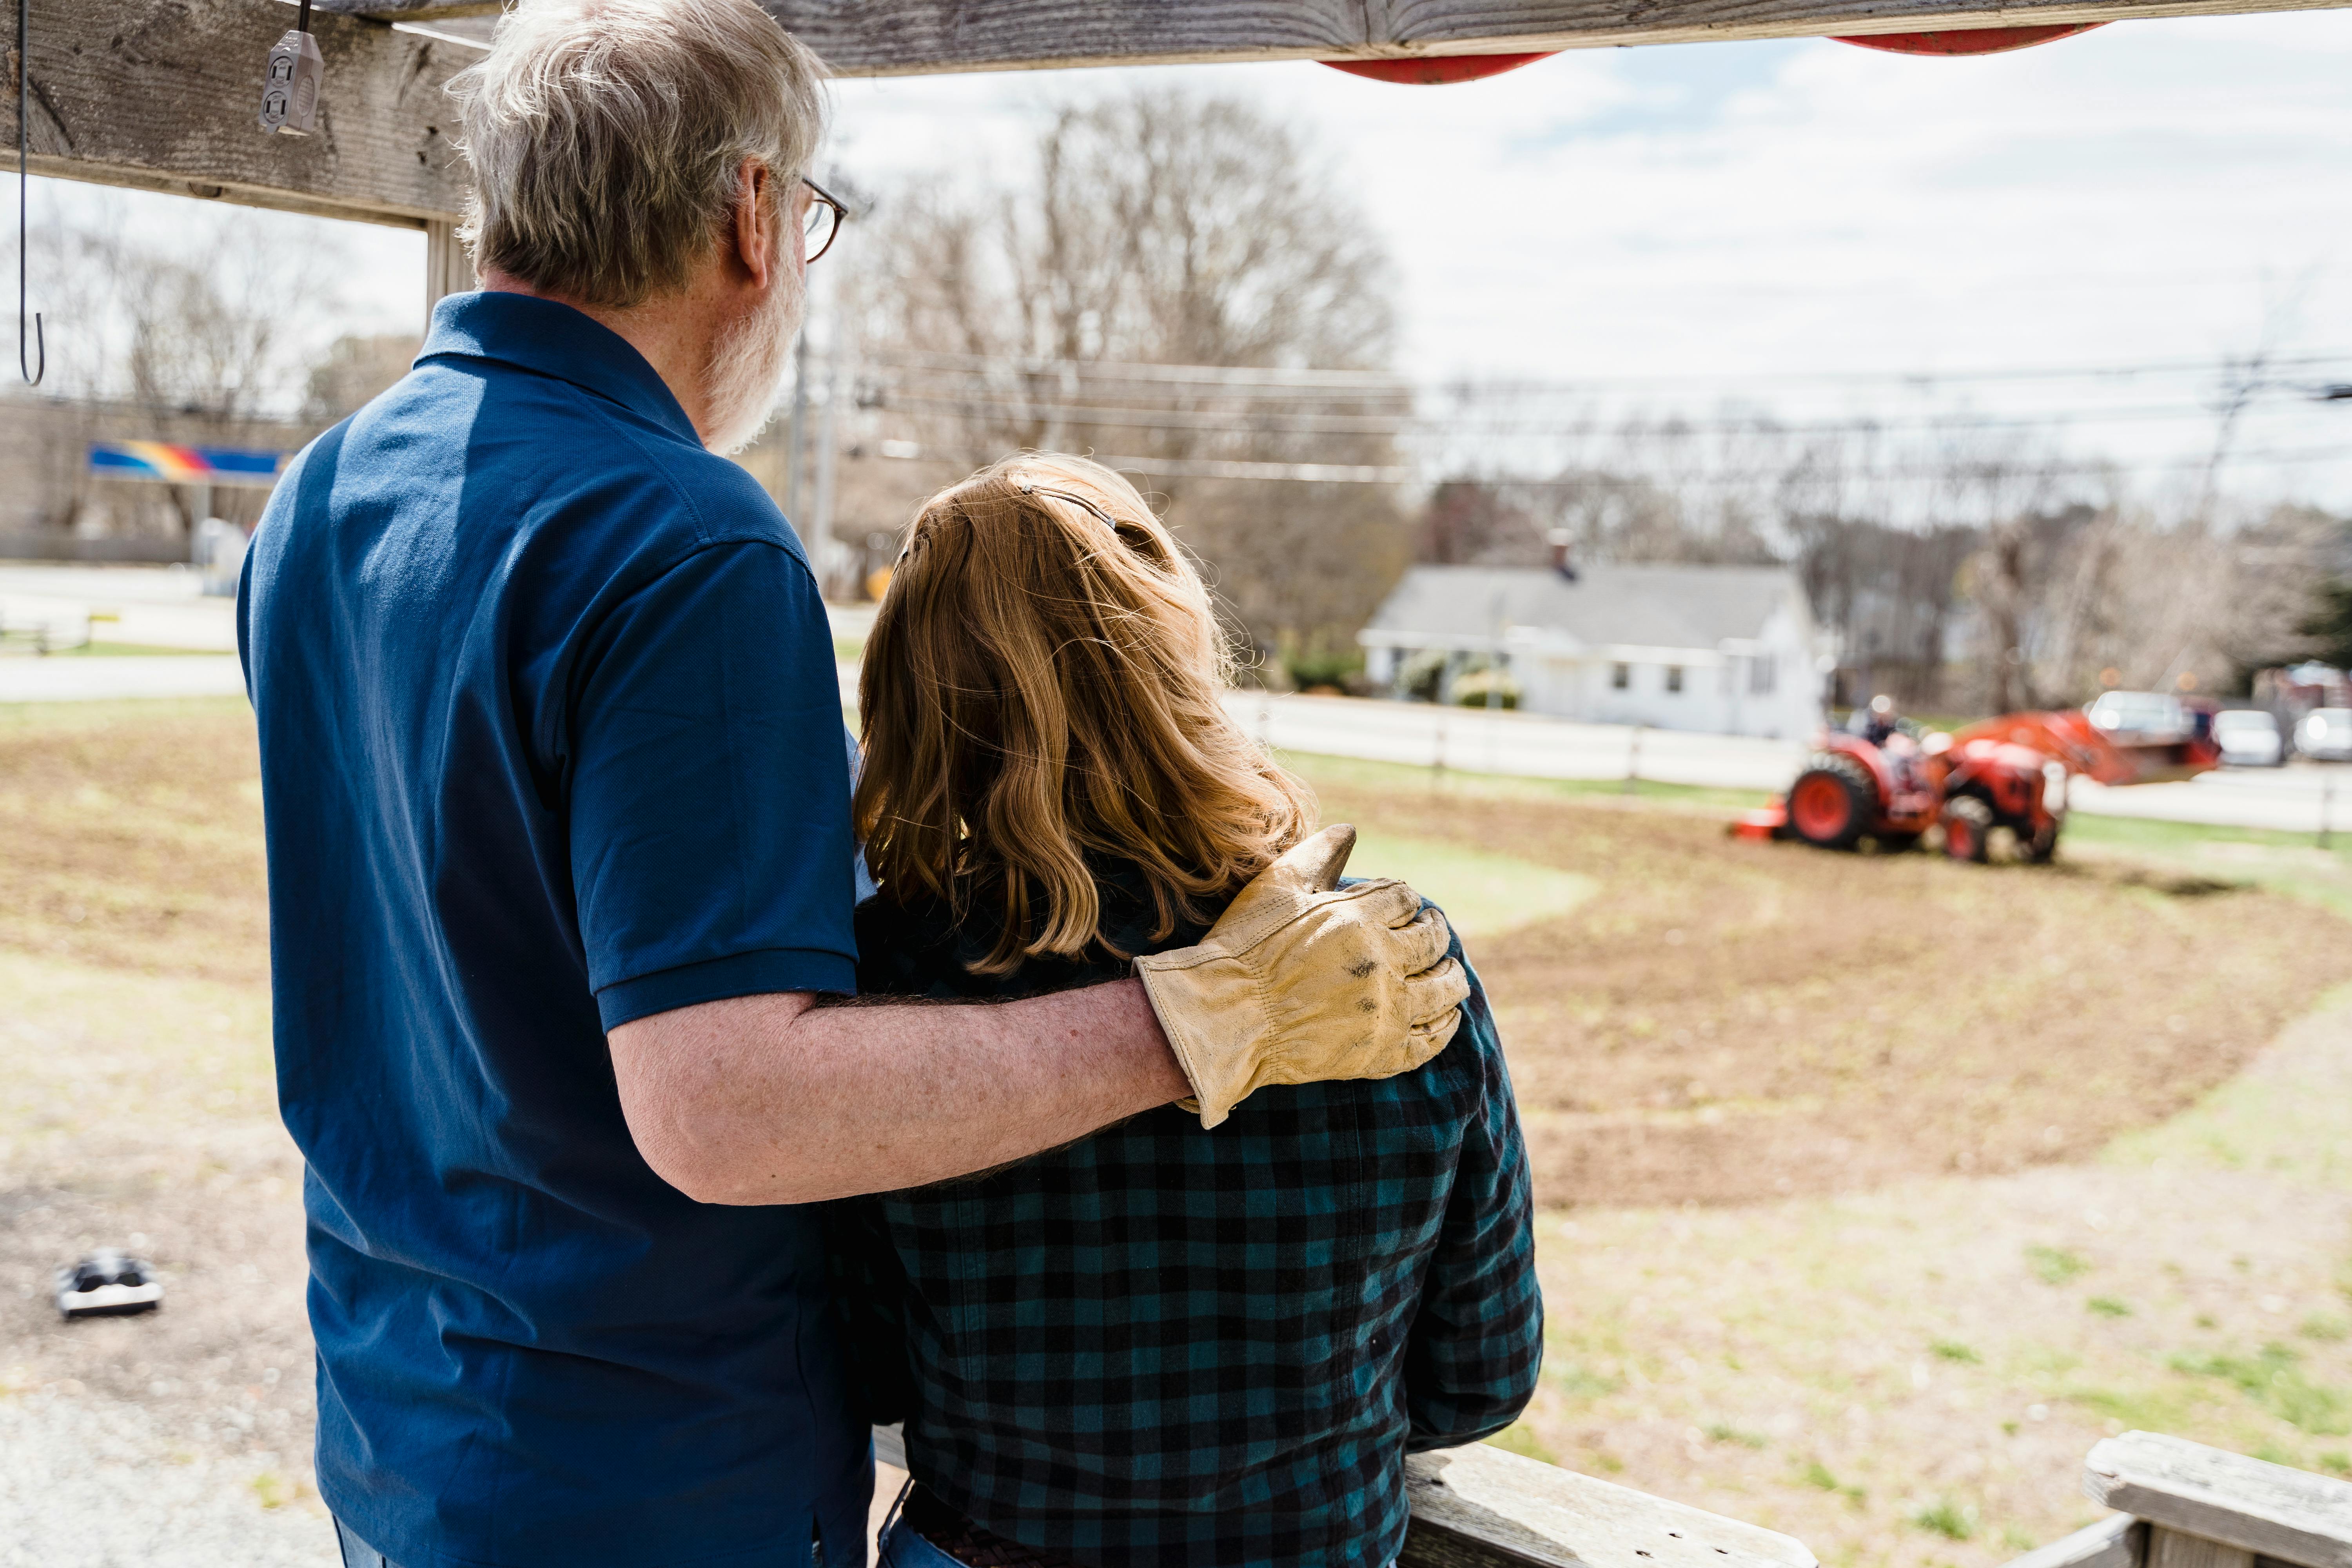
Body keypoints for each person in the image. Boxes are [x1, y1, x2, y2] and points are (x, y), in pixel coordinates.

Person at [235, 5, 1466, 1566]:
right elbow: (724, 1111)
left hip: (401, 1435)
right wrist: (1200, 1015)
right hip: (650, 1485)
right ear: (752, 216)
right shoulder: (682, 541)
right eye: (809, 220)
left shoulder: (325, 496)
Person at [830, 456, 1543, 1568]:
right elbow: (1481, 1376)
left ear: (918, 698)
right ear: (1176, 655)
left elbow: (861, 1365)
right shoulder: (1393, 968)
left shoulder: (881, 989)